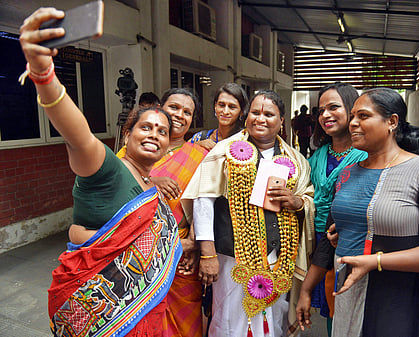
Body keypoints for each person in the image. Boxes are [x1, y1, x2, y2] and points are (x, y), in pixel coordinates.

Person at [18, 8, 182, 336]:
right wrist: (44, 75)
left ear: (168, 145)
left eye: (162, 131)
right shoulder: (106, 168)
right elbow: (77, 133)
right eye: (145, 127)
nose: (154, 134)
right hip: (99, 316)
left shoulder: (151, 185)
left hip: (145, 317)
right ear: (127, 134)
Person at [329, 88, 419, 336]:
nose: (352, 123)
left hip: (396, 296)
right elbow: (366, 220)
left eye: (363, 116)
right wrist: (343, 231)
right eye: (352, 116)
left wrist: (377, 260)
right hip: (348, 292)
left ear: (392, 122)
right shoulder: (347, 173)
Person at [181, 90, 315, 336]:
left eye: (269, 114)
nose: (261, 119)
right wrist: (207, 253)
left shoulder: (296, 160)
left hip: (278, 257)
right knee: (229, 319)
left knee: (274, 319)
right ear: (246, 116)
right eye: (255, 112)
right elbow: (203, 201)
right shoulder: (224, 151)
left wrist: (296, 202)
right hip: (231, 258)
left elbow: (308, 198)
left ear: (282, 120)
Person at [118, 87, 208, 337]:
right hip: (139, 252)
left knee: (184, 322)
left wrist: (197, 246)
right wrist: (151, 179)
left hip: (182, 255)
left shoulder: (200, 155)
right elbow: (116, 187)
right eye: (174, 108)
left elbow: (207, 206)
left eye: (187, 112)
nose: (180, 115)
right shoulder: (134, 149)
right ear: (161, 109)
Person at [296, 83, 367, 335]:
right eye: (321, 109)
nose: (325, 114)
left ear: (352, 110)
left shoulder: (365, 155)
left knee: (347, 304)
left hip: (348, 241)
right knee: (327, 305)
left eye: (333, 107)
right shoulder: (316, 155)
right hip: (313, 238)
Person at [190, 82, 248, 150]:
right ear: (215, 106)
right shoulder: (200, 138)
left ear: (241, 111)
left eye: (232, 107)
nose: (225, 111)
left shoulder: (246, 141)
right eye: (221, 105)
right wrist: (196, 146)